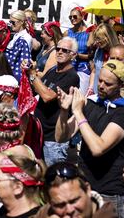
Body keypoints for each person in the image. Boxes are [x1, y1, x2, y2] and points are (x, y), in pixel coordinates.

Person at [55, 61, 124, 216]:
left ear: (121, 85)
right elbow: (61, 137)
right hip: (84, 186)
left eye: (108, 84)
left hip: (108, 191)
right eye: (100, 80)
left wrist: (79, 113)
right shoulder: (92, 103)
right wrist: (63, 111)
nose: (101, 86)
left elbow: (98, 148)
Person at [28, 37, 80, 165]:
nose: (60, 52)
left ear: (73, 55)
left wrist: (33, 75)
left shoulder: (72, 76)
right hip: (40, 133)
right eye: (58, 49)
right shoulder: (52, 70)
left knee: (53, 180)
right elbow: (37, 89)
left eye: (65, 50)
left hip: (53, 139)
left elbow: (46, 96)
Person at [39, 162, 116, 218]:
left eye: (74, 201)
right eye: (60, 205)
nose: (69, 210)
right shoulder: (47, 212)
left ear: (88, 190)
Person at [67, 7, 91, 92]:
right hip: (68, 67)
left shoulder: (89, 33)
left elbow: (91, 56)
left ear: (82, 17)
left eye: (75, 16)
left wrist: (78, 55)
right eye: (70, 17)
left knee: (79, 94)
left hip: (83, 68)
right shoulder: (67, 32)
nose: (72, 19)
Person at [6, 12, 33, 81]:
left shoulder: (25, 37)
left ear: (21, 22)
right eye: (10, 22)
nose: (11, 24)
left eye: (13, 22)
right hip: (10, 73)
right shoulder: (16, 35)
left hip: (17, 76)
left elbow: (22, 59)